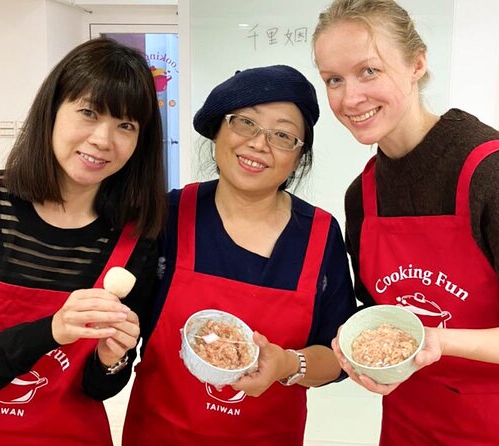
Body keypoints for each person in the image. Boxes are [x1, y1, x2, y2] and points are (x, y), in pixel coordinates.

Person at [312, 0, 499, 444]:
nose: (350, 97)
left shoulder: (496, 176)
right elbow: (383, 310)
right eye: (334, 79)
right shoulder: (362, 197)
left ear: (417, 64)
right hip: (413, 422)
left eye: (369, 71)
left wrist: (441, 341)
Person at [0, 37, 167, 446]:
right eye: (88, 112)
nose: (103, 140)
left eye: (126, 125)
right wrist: (53, 329)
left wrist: (112, 361)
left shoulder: (136, 236)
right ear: (52, 111)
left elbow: (100, 389)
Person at [121, 65, 357, 446]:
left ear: (298, 158)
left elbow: (337, 355)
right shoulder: (169, 216)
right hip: (160, 434)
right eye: (245, 123)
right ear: (217, 130)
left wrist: (286, 364)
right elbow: (123, 330)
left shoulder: (319, 235)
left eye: (283, 135)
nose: (259, 144)